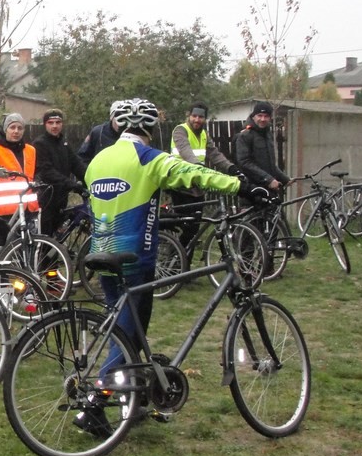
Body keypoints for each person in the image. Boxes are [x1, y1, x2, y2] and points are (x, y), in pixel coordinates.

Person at [81, 98, 267, 437]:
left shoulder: (98, 160)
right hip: (135, 257)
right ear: (151, 129)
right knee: (126, 331)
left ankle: (132, 398)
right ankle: (98, 398)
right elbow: (191, 172)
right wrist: (240, 185)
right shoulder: (148, 157)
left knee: (126, 332)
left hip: (101, 252)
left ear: (120, 126)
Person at [167, 103, 242, 246]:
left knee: (194, 229)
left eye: (200, 117)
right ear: (189, 116)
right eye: (194, 116)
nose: (197, 119)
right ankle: (177, 261)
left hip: (197, 186)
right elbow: (186, 152)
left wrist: (232, 168)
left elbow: (215, 155)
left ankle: (183, 260)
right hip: (181, 185)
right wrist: (202, 169)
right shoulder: (180, 131)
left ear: (205, 119)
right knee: (187, 228)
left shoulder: (203, 134)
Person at [31, 108, 87, 238]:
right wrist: (72, 184)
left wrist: (91, 179)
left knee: (59, 235)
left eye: (58, 122)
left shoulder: (64, 144)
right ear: (45, 124)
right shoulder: (40, 144)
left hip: (61, 198)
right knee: (45, 236)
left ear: (62, 124)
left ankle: (56, 256)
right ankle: (42, 258)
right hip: (45, 199)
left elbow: (77, 165)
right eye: (51, 123)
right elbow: (46, 171)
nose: (55, 126)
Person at [0, 112, 38, 222]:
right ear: (5, 130)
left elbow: (38, 172)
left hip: (29, 211)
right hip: (3, 213)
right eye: (12, 127)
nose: (16, 131)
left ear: (23, 131)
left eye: (20, 128)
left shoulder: (31, 150)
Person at [235, 101, 290, 193]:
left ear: (270, 118)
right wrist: (268, 179)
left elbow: (269, 164)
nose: (263, 119)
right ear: (253, 116)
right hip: (251, 189)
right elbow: (245, 163)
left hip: (269, 188)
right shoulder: (245, 135)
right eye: (259, 115)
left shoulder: (268, 134)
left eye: (266, 116)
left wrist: (284, 179)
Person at [77, 99, 125, 167]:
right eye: (118, 119)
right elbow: (82, 157)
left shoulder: (132, 134)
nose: (120, 123)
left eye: (124, 119)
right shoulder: (98, 132)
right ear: (111, 118)